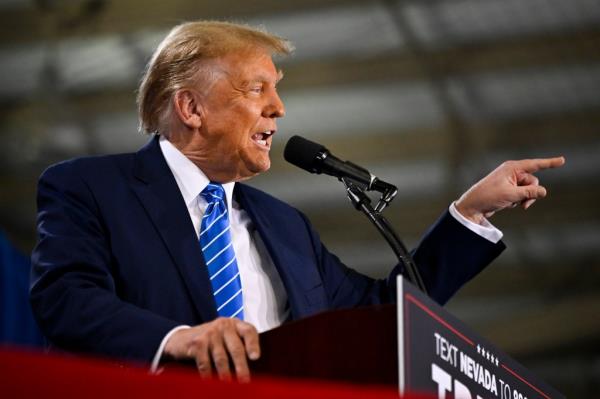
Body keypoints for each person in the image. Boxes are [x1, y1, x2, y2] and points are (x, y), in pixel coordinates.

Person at [30, 21, 565, 382]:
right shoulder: (90, 188)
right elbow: (66, 300)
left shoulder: (286, 227)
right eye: (257, 89)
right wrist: (181, 340)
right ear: (191, 107)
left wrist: (469, 214)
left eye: (276, 89)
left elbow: (381, 314)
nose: (279, 108)